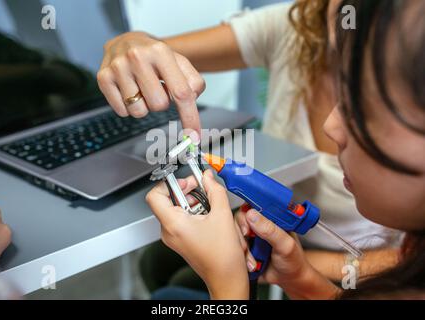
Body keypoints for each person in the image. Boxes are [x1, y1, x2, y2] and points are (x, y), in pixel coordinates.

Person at [98, 0, 399, 293]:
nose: (331, 127)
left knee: (173, 295)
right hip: (283, 248)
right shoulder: (297, 27)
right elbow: (154, 52)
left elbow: (412, 266)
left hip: (359, 274)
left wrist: (232, 274)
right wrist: (128, 45)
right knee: (158, 263)